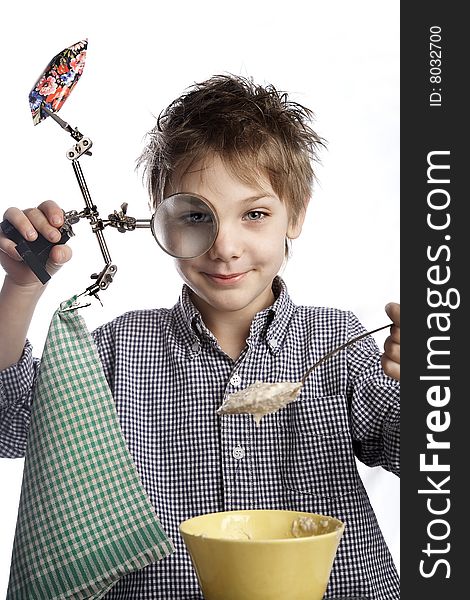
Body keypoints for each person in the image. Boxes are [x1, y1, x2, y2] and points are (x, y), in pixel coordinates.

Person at [0, 74, 400, 599]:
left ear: (295, 214)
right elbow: (12, 423)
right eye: (195, 217)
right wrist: (22, 286)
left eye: (254, 214)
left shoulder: (340, 342)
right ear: (158, 222)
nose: (225, 247)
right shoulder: (118, 351)